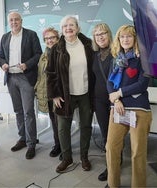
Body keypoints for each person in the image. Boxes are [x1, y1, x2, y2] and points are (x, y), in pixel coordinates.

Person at [46, 16, 94, 173]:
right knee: (62, 128)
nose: (68, 28)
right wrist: (54, 95)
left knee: (86, 125)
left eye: (71, 25)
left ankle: (84, 157)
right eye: (65, 26)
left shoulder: (87, 44)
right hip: (65, 95)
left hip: (86, 93)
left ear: (78, 28)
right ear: (62, 30)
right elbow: (51, 73)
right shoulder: (56, 49)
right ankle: (67, 158)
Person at [106, 25, 152, 188]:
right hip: (118, 109)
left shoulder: (144, 58)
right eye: (122, 37)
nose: (125, 39)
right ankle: (112, 184)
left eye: (129, 36)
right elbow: (110, 82)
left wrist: (119, 94)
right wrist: (116, 100)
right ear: (118, 39)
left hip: (139, 109)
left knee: (137, 153)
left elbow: (142, 84)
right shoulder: (116, 58)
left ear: (135, 39)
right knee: (111, 147)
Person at [0, 11, 42, 159]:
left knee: (28, 111)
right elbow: (0, 56)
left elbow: (38, 54)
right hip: (11, 78)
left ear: (21, 21)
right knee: (18, 111)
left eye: (16, 19)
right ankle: (22, 138)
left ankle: (31, 144)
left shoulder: (31, 35)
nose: (14, 22)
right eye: (11, 20)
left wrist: (26, 65)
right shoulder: (5, 37)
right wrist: (3, 64)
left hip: (26, 77)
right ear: (8, 22)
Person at [34, 27, 61, 158]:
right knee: (54, 121)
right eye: (47, 38)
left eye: (52, 38)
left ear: (58, 39)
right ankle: (58, 144)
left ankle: (63, 147)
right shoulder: (43, 56)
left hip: (59, 95)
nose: (49, 40)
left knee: (61, 122)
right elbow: (40, 76)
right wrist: (37, 89)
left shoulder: (63, 53)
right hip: (47, 94)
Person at [91, 23, 113, 181]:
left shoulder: (118, 52)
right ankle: (110, 165)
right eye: (97, 35)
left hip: (115, 101)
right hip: (99, 101)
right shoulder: (95, 55)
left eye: (103, 33)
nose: (100, 37)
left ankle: (114, 163)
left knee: (115, 136)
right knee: (105, 133)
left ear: (109, 34)